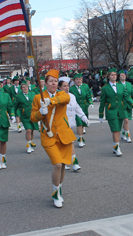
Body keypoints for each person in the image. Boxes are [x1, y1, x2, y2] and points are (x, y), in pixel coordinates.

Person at [30, 69, 77, 208]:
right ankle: (55, 193)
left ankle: (59, 189)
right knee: (57, 164)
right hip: (48, 136)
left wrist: (50, 101)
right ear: (45, 83)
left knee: (63, 165)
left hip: (63, 135)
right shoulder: (38, 98)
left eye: (55, 81)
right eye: (51, 81)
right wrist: (40, 112)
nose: (53, 84)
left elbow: (65, 99)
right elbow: (32, 117)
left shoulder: (62, 94)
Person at [99, 68, 133, 156]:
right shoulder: (105, 88)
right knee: (115, 130)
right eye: (112, 75)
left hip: (120, 110)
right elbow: (102, 102)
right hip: (111, 111)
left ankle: (114, 145)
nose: (114, 76)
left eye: (115, 75)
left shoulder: (121, 86)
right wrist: (101, 114)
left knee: (118, 130)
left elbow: (126, 97)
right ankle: (117, 148)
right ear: (108, 76)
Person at [58, 77, 88, 171]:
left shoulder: (72, 96)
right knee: (68, 142)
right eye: (64, 86)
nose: (66, 88)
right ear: (59, 87)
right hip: (60, 124)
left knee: (69, 142)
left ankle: (69, 161)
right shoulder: (56, 97)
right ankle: (71, 162)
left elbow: (76, 107)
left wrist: (83, 116)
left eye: (67, 86)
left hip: (70, 123)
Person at [13, 81, 38, 154]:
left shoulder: (33, 93)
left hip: (33, 115)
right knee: (28, 130)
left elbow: (37, 102)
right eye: (23, 87)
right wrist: (13, 115)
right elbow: (15, 106)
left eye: (26, 87)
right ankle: (28, 146)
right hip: (25, 116)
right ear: (21, 89)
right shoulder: (19, 96)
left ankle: (31, 143)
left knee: (32, 130)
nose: (25, 88)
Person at [69, 73, 93, 147]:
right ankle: (80, 139)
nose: (78, 81)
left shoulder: (85, 86)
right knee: (79, 123)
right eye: (77, 79)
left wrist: (90, 102)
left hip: (84, 106)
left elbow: (88, 95)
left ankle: (81, 137)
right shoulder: (71, 88)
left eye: (80, 79)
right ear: (74, 80)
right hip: (76, 108)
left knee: (83, 124)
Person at [118, 69, 133, 143]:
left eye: (124, 75)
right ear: (119, 77)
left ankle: (123, 133)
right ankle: (128, 136)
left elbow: (132, 93)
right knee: (126, 120)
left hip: (129, 105)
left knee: (126, 121)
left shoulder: (129, 84)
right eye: (121, 75)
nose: (123, 76)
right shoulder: (117, 84)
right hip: (121, 105)